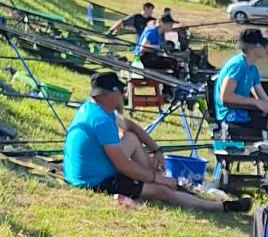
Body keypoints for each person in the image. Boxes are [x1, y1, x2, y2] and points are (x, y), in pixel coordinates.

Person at [62, 73, 228, 211]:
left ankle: (168, 183)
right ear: (110, 94)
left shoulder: (94, 108)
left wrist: (157, 150)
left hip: (88, 172)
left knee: (131, 138)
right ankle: (219, 207)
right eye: (121, 91)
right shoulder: (101, 121)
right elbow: (123, 166)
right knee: (161, 191)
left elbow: (130, 126)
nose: (124, 95)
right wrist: (156, 179)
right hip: (93, 182)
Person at [214, 28, 268, 146]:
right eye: (264, 45)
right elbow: (225, 97)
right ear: (254, 47)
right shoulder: (238, 65)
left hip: (244, 113)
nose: (267, 48)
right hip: (232, 116)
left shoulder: (252, 68)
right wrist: (256, 103)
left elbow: (265, 100)